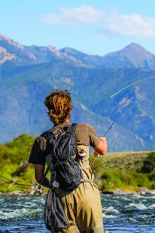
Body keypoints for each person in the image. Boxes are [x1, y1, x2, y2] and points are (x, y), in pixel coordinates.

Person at [28, 89, 108, 233]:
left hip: (59, 196)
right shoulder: (84, 129)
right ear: (69, 110)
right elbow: (102, 150)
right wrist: (102, 141)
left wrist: (54, 186)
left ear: (50, 112)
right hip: (86, 192)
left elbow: (39, 177)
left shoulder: (41, 140)